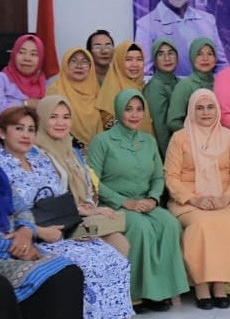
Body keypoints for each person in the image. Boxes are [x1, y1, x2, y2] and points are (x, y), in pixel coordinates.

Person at [0, 106, 133, 319]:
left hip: (59, 230)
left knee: (110, 257)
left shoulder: (40, 159)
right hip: (34, 238)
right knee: (85, 266)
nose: (26, 135)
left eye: (31, 129)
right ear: (3, 132)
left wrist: (78, 218)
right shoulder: (3, 166)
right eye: (19, 128)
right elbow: (14, 215)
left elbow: (59, 199)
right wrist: (37, 231)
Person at [87, 90, 189, 311]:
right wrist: (124, 202)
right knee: (141, 228)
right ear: (118, 111)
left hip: (145, 202)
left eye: (139, 109)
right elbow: (93, 180)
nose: (134, 114)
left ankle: (159, 292)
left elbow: (158, 177)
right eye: (128, 109)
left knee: (170, 224)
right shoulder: (102, 141)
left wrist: (153, 199)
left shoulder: (149, 141)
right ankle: (133, 293)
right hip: (113, 205)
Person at [164, 88, 230, 310]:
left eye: (210, 107)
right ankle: (201, 286)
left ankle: (219, 285)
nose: (206, 112)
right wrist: (194, 199)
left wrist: (226, 198)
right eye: (199, 108)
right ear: (191, 111)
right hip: (188, 202)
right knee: (201, 224)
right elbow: (171, 176)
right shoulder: (180, 138)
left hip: (223, 201)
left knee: (228, 222)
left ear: (217, 109)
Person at [34, 95, 129, 256]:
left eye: (66, 117)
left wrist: (89, 205)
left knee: (120, 243)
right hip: (56, 226)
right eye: (53, 117)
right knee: (101, 251)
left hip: (80, 217)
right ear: (41, 119)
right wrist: (79, 210)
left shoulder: (72, 152)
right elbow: (45, 202)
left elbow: (88, 185)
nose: (60, 123)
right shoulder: (36, 155)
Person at [0, 166, 86, 319]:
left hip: (19, 244)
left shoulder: (1, 177)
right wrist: (17, 247)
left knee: (69, 272)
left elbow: (22, 209)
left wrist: (26, 231)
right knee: (50, 279)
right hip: (6, 253)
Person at [134, 0, 228, 77]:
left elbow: (221, 66)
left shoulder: (207, 20)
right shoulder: (146, 25)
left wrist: (209, 87)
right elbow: (144, 75)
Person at [165, 38, 218, 145]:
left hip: (217, 143)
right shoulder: (185, 86)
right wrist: (195, 136)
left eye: (210, 54)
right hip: (192, 145)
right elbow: (173, 121)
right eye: (199, 54)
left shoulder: (220, 84)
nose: (205, 58)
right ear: (192, 57)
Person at [46, 48, 103, 145]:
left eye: (84, 62)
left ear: (91, 67)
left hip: (95, 149)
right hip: (62, 147)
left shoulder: (98, 92)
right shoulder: (54, 92)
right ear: (65, 65)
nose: (79, 66)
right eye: (73, 61)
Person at [95, 41, 152, 134]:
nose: (135, 64)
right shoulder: (111, 91)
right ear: (119, 62)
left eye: (139, 59)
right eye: (128, 59)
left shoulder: (143, 87)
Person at [144, 38, 179, 158]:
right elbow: (161, 129)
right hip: (166, 154)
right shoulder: (155, 86)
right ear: (154, 60)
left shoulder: (178, 82)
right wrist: (171, 158)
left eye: (171, 53)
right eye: (160, 54)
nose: (167, 58)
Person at [0, 34, 45, 110]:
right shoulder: (2, 79)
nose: (27, 58)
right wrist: (25, 103)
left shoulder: (44, 82)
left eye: (33, 54)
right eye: (21, 52)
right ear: (14, 54)